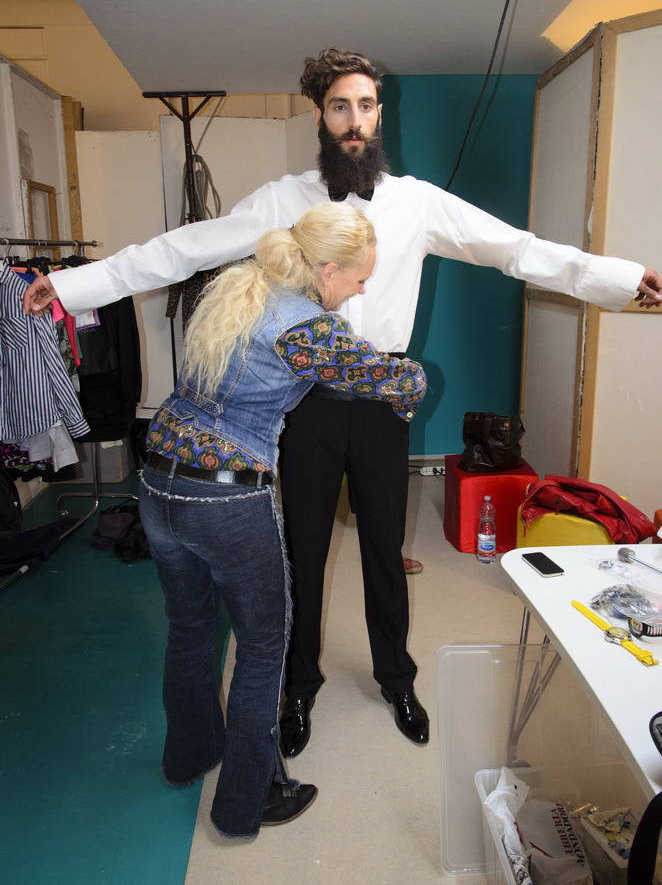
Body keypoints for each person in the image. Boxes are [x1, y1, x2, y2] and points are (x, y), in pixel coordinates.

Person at [23, 47, 662, 760]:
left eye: (365, 106)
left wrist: (618, 279)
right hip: (308, 402)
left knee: (385, 549)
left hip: (382, 401)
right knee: (302, 549)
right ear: (319, 117)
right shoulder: (282, 200)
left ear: (379, 115)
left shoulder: (418, 202)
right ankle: (298, 687)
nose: (354, 121)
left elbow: (518, 249)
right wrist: (77, 285)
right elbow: (184, 248)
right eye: (339, 107)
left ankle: (396, 679)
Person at [137, 202, 427, 839]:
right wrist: (413, 378)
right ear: (327, 271)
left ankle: (188, 755)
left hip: (158, 482)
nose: (363, 289)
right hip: (226, 498)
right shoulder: (308, 329)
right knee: (264, 649)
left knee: (190, 629)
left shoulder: (240, 288)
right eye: (359, 278)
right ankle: (251, 800)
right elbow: (395, 380)